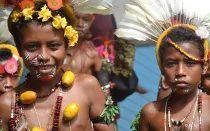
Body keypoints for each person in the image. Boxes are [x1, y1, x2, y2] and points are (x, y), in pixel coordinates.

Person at [0, 0, 117, 130]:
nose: (43, 56)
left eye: (53, 46)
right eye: (32, 47)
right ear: (20, 49)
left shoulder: (87, 87)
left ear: (67, 46)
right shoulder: (7, 105)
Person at [115, 0, 210, 130]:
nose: (180, 72)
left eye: (190, 63)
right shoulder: (151, 113)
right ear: (161, 68)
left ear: (204, 67)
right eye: (171, 64)